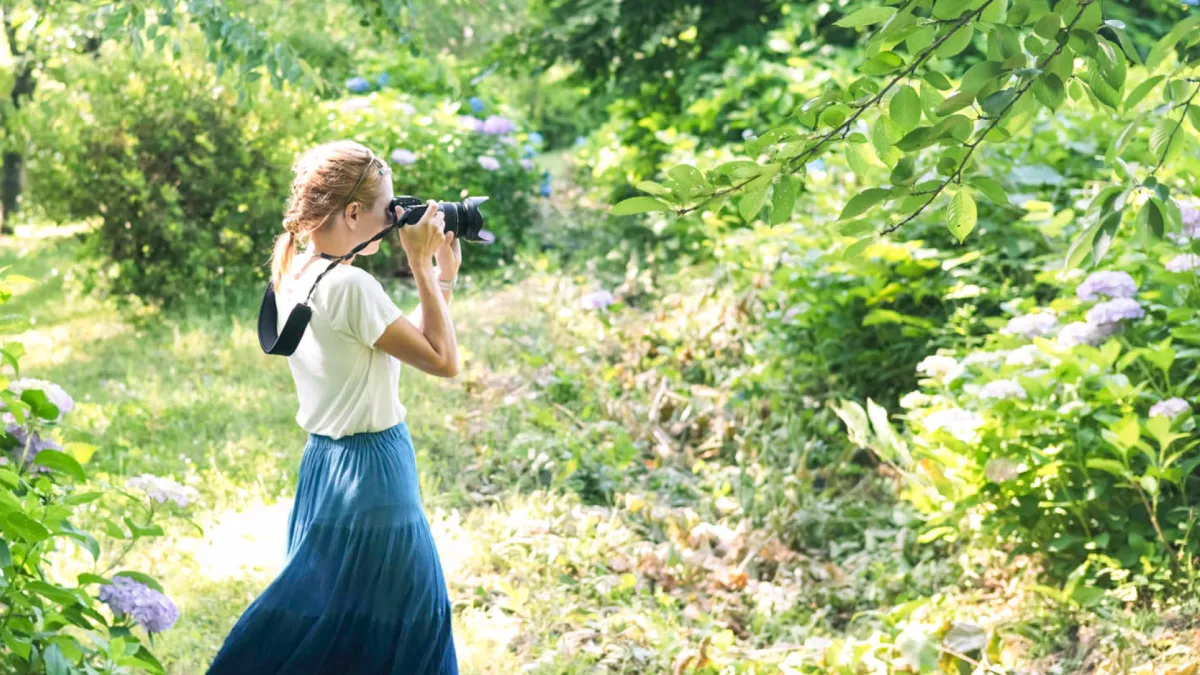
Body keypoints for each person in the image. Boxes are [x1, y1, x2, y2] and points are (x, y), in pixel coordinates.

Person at [207, 140, 460, 674]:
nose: (396, 221)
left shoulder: (296, 273)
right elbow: (442, 361)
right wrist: (420, 264)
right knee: (412, 623)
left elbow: (401, 340)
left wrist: (442, 282)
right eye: (388, 210)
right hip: (374, 472)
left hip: (325, 468)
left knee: (334, 624)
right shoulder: (351, 285)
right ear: (351, 213)